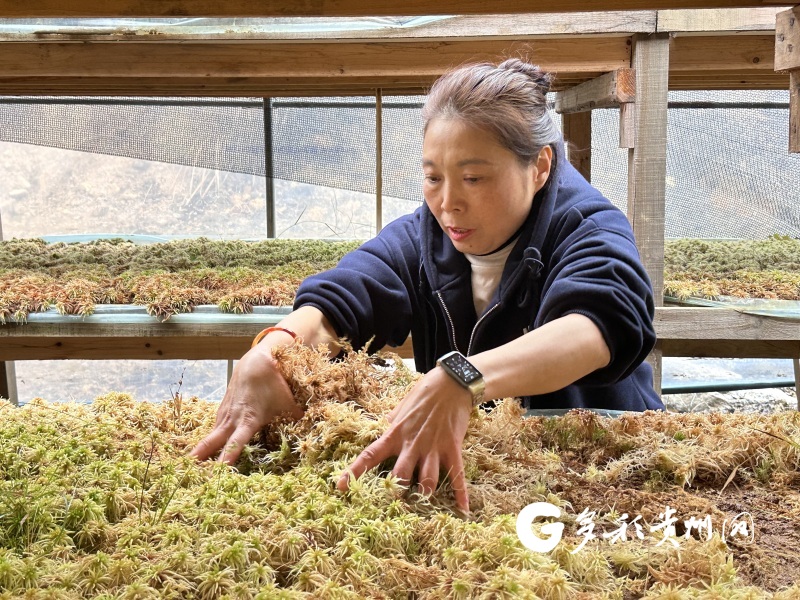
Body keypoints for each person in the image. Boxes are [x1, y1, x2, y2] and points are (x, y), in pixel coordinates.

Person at [190, 58, 664, 514]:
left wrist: (462, 379)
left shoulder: (588, 225)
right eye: (433, 177)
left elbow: (597, 327)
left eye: (473, 178)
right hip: (490, 476)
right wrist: (275, 347)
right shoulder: (425, 236)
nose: (449, 203)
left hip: (605, 472)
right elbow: (349, 291)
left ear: (540, 167)